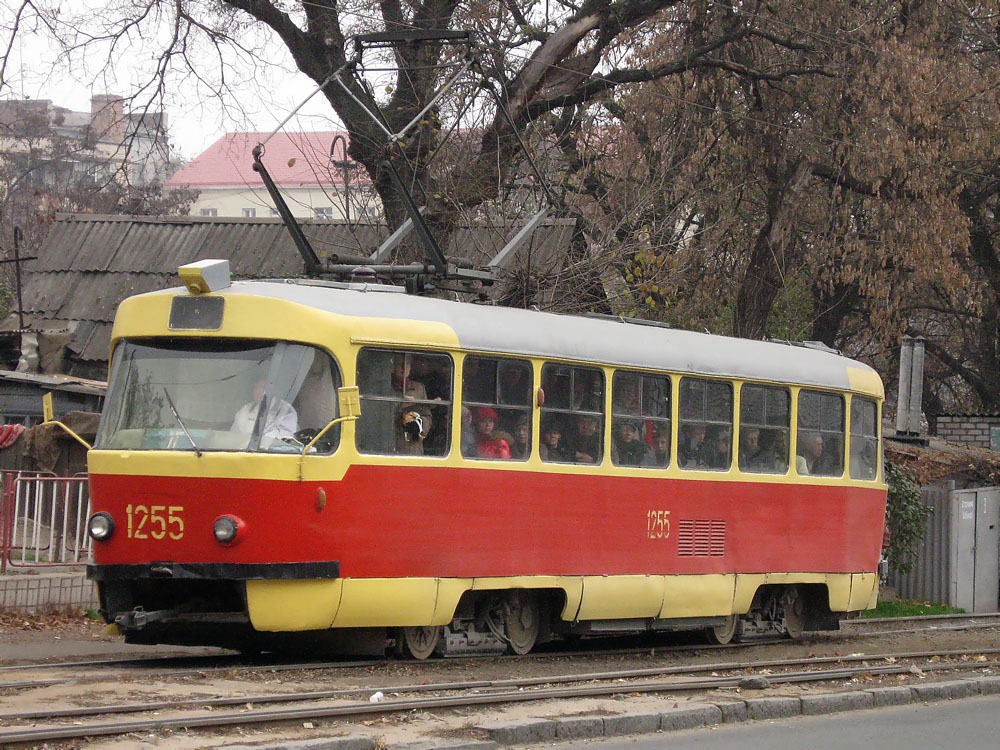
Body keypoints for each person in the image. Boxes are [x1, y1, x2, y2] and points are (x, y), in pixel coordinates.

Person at [231, 378, 298, 447]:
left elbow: (287, 441)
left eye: (262, 388)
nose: (258, 391)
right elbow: (233, 435)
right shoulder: (246, 409)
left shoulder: (285, 410)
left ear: (273, 389)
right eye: (255, 388)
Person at [391, 354, 432, 455]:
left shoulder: (418, 388)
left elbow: (428, 416)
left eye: (407, 364)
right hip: (391, 446)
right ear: (392, 366)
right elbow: (378, 415)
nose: (404, 368)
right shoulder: (385, 387)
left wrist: (419, 425)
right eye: (400, 364)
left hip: (413, 449)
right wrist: (400, 406)